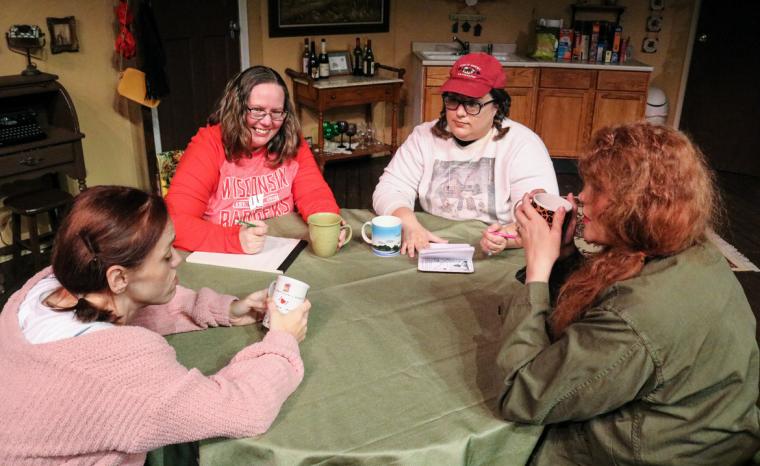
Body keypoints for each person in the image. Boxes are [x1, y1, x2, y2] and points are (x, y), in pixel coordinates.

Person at [498, 122, 760, 465]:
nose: (581, 197)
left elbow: (521, 395)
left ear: (635, 205)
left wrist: (537, 269)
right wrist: (563, 258)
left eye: (597, 188)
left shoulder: (637, 313)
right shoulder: (694, 253)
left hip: (653, 452)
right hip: (711, 432)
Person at [0, 186, 311, 465]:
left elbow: (129, 307)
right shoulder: (120, 370)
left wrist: (228, 310)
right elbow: (243, 408)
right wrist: (283, 339)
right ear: (119, 278)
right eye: (165, 256)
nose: (177, 260)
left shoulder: (46, 290)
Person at [372, 52, 558, 257]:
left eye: (472, 104)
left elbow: (543, 215)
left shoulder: (523, 144)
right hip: (431, 239)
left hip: (501, 249)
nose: (459, 112)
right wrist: (409, 224)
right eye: (453, 100)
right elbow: (390, 188)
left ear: (496, 106)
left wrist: (506, 237)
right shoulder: (423, 136)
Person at [166, 66, 343, 254]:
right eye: (257, 110)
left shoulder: (292, 140)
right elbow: (174, 223)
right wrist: (234, 240)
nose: (267, 122)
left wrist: (328, 219)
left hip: (282, 250)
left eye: (276, 112)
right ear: (237, 107)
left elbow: (314, 192)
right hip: (223, 256)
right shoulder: (208, 145)